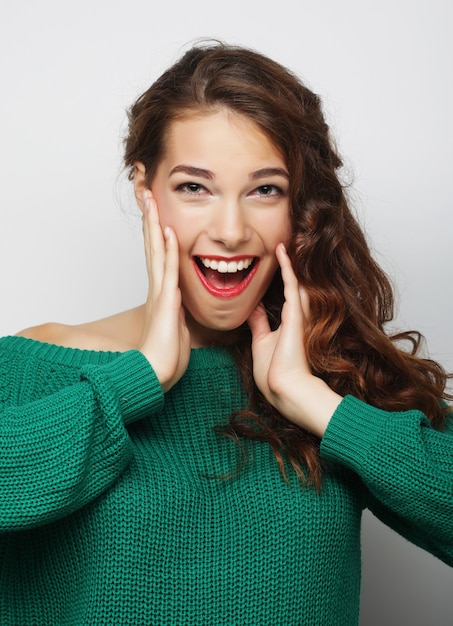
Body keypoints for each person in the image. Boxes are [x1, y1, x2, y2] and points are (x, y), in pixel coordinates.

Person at [0, 41, 451, 625]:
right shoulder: (33, 364)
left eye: (265, 189)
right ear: (145, 189)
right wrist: (142, 375)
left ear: (299, 207)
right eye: (194, 187)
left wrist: (316, 403)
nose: (232, 229)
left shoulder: (329, 374)